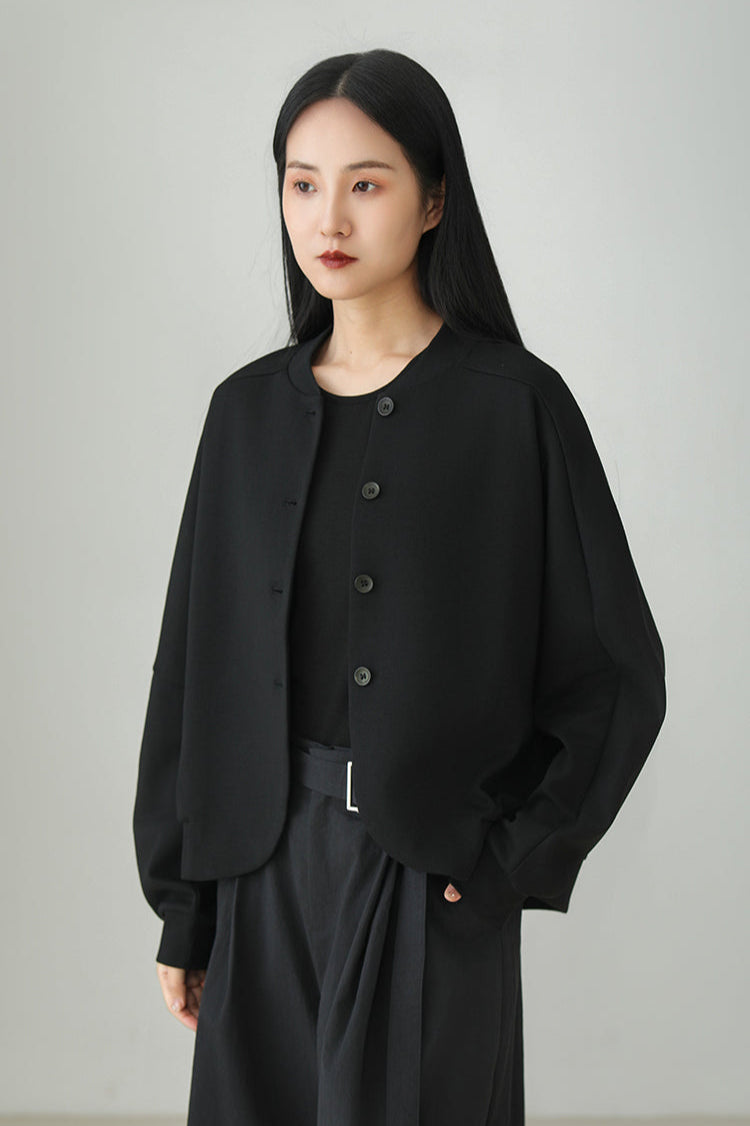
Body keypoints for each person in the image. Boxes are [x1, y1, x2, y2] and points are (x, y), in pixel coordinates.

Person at [132, 47, 667, 1126]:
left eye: (366, 184)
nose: (328, 217)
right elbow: (192, 671)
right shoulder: (243, 414)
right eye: (303, 183)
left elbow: (614, 672)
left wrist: (514, 855)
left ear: (433, 202)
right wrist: (186, 908)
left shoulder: (514, 406)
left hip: (425, 869)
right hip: (254, 864)